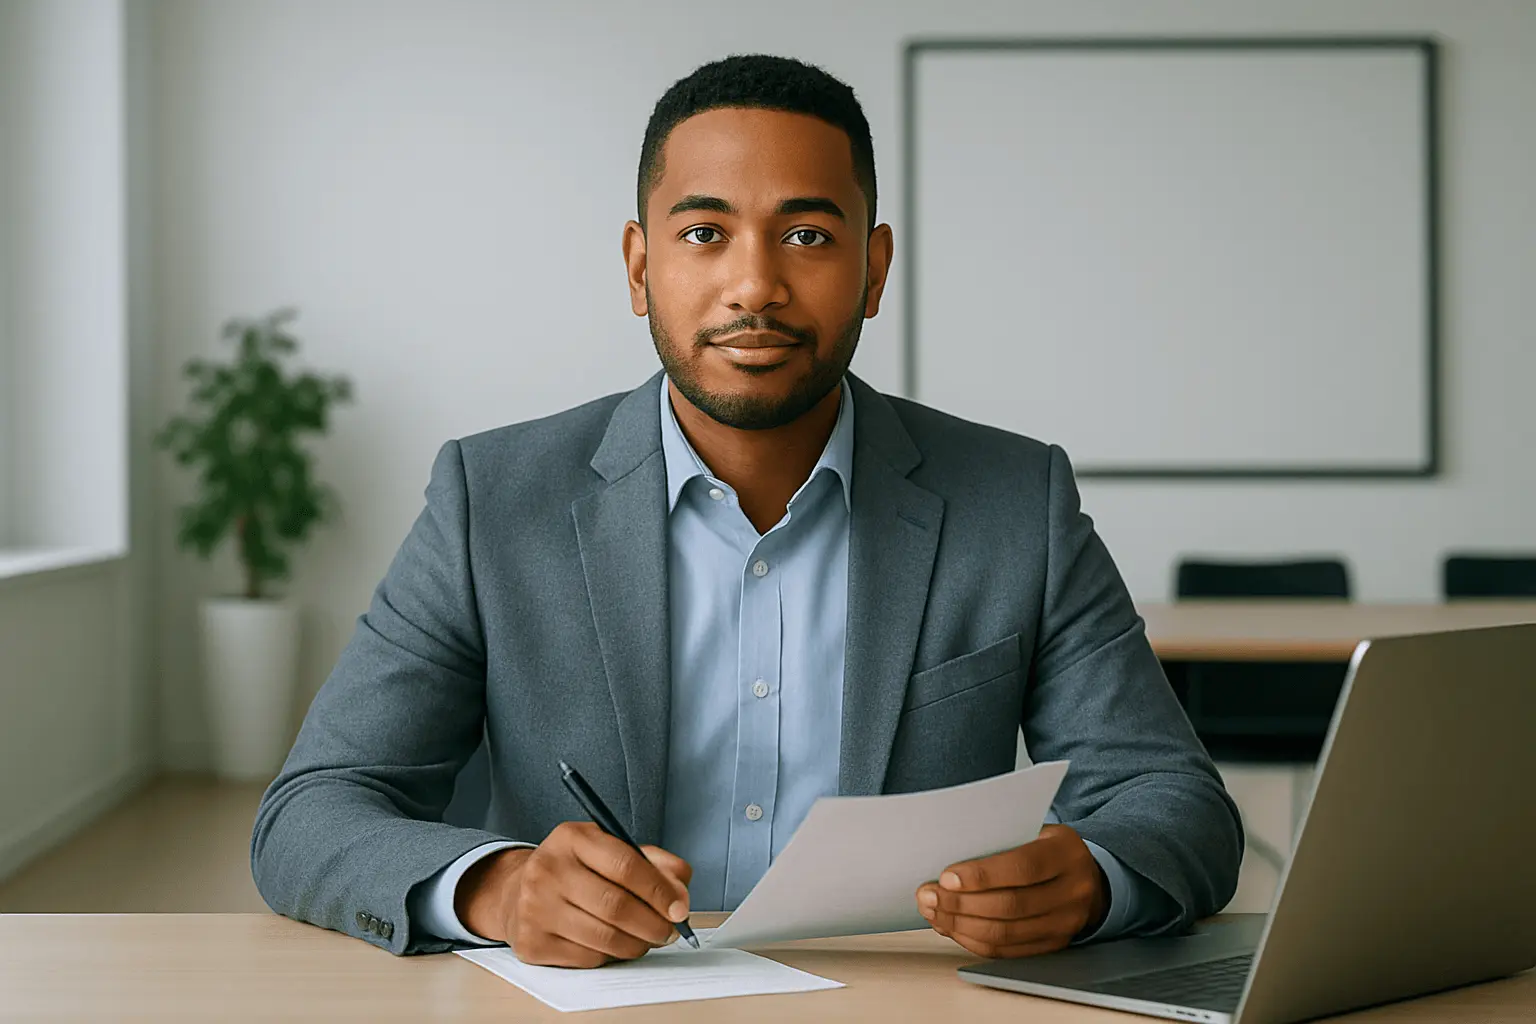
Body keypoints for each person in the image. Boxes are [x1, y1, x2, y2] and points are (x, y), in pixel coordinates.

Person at [252, 54, 1242, 968]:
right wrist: (500, 888)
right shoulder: (494, 498)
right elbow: (311, 812)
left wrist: (1094, 880)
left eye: (808, 235)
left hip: (895, 1002)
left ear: (875, 267)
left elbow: (1177, 803)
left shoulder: (1013, 499)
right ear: (641, 268)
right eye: (704, 233)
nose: (755, 285)